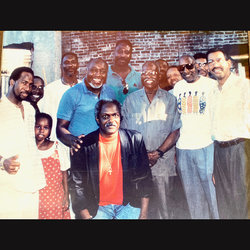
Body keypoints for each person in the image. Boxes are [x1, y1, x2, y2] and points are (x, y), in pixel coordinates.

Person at [69, 99, 153, 219]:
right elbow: (77, 184)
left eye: (115, 115)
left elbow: (145, 179)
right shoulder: (84, 145)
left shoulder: (135, 139)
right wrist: (86, 216)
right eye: (105, 116)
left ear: (120, 117)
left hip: (129, 205)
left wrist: (143, 213)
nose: (111, 120)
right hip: (97, 208)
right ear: (98, 120)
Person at [121, 61, 182, 219]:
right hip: (138, 164)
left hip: (163, 163)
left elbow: (175, 130)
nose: (149, 76)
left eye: (153, 73)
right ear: (141, 76)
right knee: (141, 210)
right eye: (145, 73)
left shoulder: (170, 100)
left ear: (159, 75)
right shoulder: (130, 100)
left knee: (165, 208)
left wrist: (158, 152)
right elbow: (125, 133)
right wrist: (142, 155)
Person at [173, 55, 219, 219]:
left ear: (196, 66)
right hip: (183, 148)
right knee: (193, 198)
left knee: (213, 195)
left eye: (189, 66)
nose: (186, 71)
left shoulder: (211, 85)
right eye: (181, 68)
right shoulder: (177, 88)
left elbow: (218, 117)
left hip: (206, 145)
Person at [206, 47, 250, 219]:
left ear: (229, 63)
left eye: (218, 60)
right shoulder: (212, 91)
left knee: (243, 198)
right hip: (219, 150)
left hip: (240, 149)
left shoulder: (244, 86)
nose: (214, 65)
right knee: (224, 200)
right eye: (210, 62)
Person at [0, 67, 46, 218]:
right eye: (24, 83)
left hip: (32, 180)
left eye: (30, 85)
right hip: (9, 182)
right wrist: (2, 162)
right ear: (12, 82)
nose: (27, 88)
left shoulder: (30, 108)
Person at [56, 58, 116, 155]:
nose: (98, 74)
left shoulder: (110, 92)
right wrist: (73, 140)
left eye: (102, 71)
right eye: (93, 70)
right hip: (82, 151)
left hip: (107, 151)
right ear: (86, 70)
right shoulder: (72, 94)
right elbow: (60, 128)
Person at [35, 112, 71, 219]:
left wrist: (66, 195)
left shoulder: (56, 147)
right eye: (38, 127)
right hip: (36, 199)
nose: (42, 130)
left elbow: (64, 173)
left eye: (46, 127)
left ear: (50, 130)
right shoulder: (29, 149)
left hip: (55, 198)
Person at [40, 52, 81, 141]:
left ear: (78, 65)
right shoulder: (50, 90)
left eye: (73, 62)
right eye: (66, 62)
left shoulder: (84, 87)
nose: (70, 65)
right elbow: (44, 116)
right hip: (58, 140)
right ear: (61, 66)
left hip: (80, 139)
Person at [105, 39, 142, 104]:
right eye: (119, 52)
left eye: (127, 52)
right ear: (114, 53)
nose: (122, 55)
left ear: (131, 55)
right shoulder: (104, 75)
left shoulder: (139, 78)